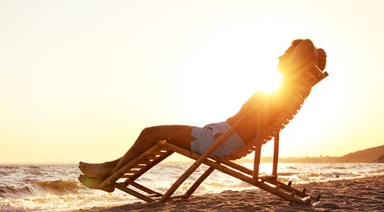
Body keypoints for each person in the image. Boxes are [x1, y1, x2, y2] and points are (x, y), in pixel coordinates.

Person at [78, 39, 327, 192]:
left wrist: (309, 49)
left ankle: (108, 178)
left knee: (149, 133)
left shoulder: (287, 86)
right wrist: (315, 57)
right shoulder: (288, 89)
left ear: (296, 60)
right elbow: (307, 52)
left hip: (218, 139)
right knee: (152, 138)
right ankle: (107, 168)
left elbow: (305, 46)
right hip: (222, 136)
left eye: (286, 53)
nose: (280, 56)